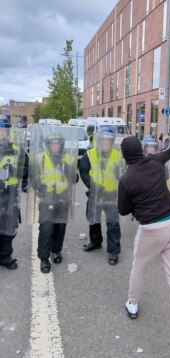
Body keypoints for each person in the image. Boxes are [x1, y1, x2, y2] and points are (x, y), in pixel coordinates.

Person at [118, 135, 170, 358]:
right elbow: (169, 152)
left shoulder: (126, 178)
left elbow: (122, 211)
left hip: (151, 229)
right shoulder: (153, 161)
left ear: (124, 155)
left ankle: (132, 304)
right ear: (141, 150)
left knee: (138, 268)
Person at [29, 129, 78, 273]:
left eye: (58, 144)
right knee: (46, 228)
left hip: (63, 199)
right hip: (47, 199)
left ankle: (56, 251)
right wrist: (39, 187)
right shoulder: (40, 158)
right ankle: (44, 258)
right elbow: (33, 177)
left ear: (61, 145)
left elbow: (75, 179)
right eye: (52, 144)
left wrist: (68, 168)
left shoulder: (67, 158)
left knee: (60, 227)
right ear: (48, 145)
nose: (55, 146)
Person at [79, 127, 123, 265]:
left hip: (111, 194)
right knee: (93, 220)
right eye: (104, 140)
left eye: (109, 140)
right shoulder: (90, 153)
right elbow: (83, 171)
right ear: (99, 140)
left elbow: (122, 173)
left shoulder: (117, 154)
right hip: (95, 193)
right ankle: (95, 241)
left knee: (113, 223)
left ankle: (113, 251)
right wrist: (92, 186)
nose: (106, 142)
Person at [0, 115, 28, 270]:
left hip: (9, 195)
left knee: (9, 228)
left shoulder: (16, 148)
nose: (2, 134)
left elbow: (26, 166)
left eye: (4, 130)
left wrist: (21, 177)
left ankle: (5, 257)